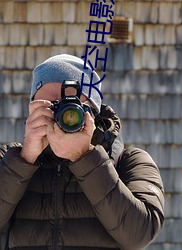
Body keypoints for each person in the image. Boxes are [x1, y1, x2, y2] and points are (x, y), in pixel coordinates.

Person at [0, 54, 164, 250]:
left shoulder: (130, 162)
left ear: (93, 111)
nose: (59, 116)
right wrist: (24, 160)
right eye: (49, 106)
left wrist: (85, 158)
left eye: (70, 107)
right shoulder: (9, 160)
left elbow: (139, 235)